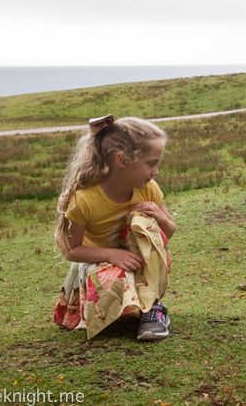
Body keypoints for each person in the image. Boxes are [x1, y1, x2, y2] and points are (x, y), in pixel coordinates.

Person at [53, 115, 176, 340]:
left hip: (139, 261)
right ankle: (125, 309)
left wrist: (162, 218)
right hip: (99, 265)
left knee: (144, 220)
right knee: (115, 276)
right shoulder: (84, 200)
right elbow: (71, 251)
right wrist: (112, 254)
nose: (156, 171)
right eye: (151, 163)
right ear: (121, 160)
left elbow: (166, 234)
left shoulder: (149, 189)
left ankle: (152, 309)